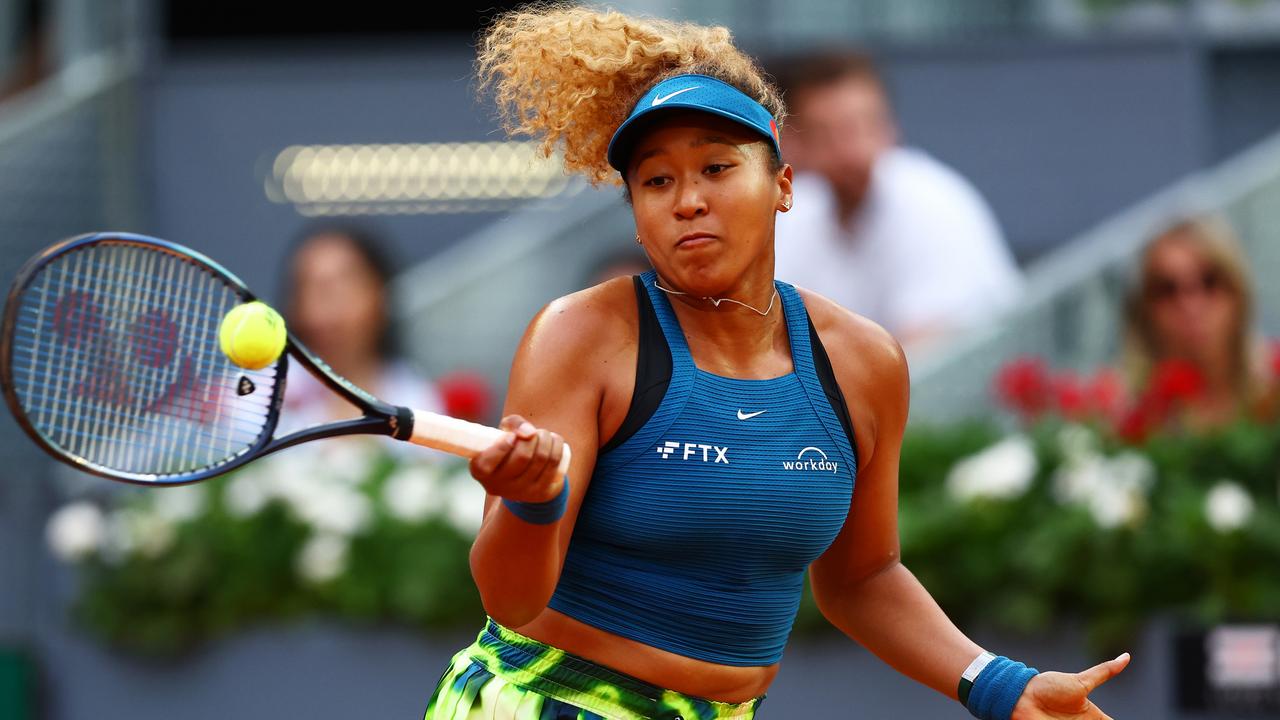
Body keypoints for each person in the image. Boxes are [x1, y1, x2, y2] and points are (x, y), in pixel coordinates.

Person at [425, 6, 1128, 719]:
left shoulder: (864, 360)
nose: (688, 200)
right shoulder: (578, 334)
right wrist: (533, 501)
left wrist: (1000, 684)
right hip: (543, 700)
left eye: (717, 168)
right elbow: (509, 599)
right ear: (635, 212)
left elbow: (862, 576)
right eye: (656, 181)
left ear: (784, 185)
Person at [768, 50, 1023, 353]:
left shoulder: (929, 201)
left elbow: (922, 355)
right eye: (827, 134)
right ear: (799, 143)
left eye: (863, 126)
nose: (851, 149)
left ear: (890, 128)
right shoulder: (801, 208)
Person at [280, 222, 442, 436]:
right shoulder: (263, 398)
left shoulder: (419, 401)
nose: (326, 313)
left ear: (380, 297)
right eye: (311, 291)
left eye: (340, 290)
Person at [1122, 215, 1274, 433]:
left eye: (1209, 281)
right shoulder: (1125, 426)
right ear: (1143, 313)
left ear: (1238, 294)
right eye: (1167, 289)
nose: (1191, 305)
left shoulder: (1272, 391)